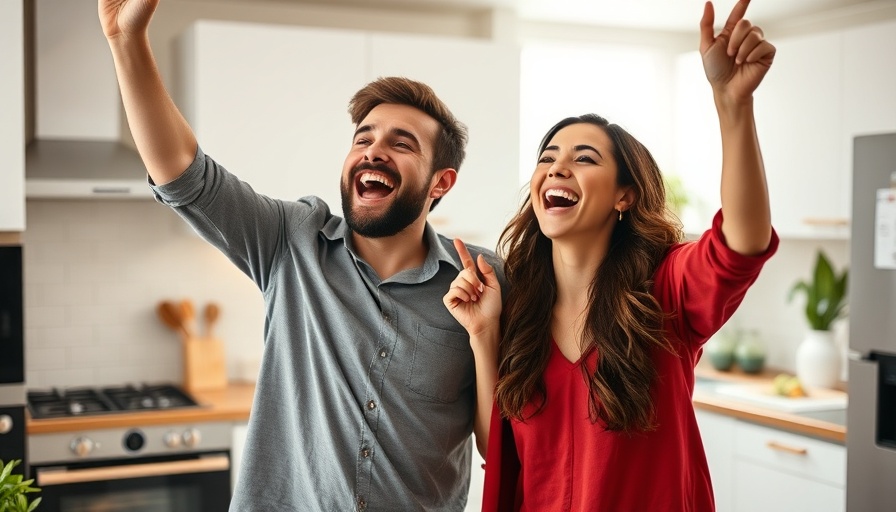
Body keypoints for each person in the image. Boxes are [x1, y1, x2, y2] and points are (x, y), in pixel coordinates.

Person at [98, 1, 504, 510]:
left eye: (401, 144)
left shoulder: (482, 282)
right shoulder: (292, 241)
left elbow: (500, 447)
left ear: (441, 182)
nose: (373, 151)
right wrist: (125, 41)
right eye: (363, 138)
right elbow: (185, 176)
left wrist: (483, 336)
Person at [444, 0, 778, 510]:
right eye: (547, 158)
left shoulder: (665, 291)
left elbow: (742, 242)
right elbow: (503, 455)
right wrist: (484, 336)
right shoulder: (519, 313)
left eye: (583, 158)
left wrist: (734, 106)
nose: (557, 168)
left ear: (625, 196)